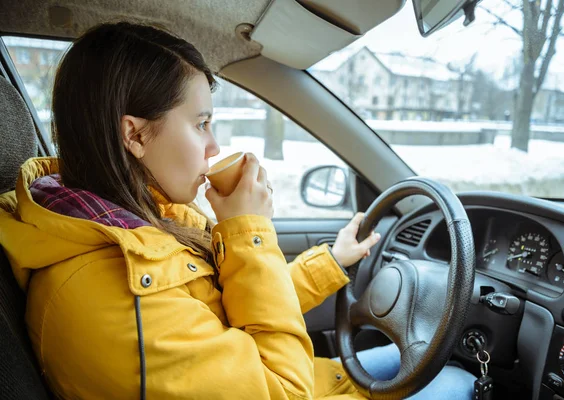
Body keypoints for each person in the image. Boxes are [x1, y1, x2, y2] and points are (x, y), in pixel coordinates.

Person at [0, 22, 475, 399]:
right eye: (201, 123)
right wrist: (249, 230)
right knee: (460, 382)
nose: (214, 145)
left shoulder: (136, 221)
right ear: (135, 135)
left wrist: (331, 262)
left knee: (436, 363)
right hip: (297, 386)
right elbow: (281, 390)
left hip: (311, 379)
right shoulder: (108, 299)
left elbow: (229, 310)